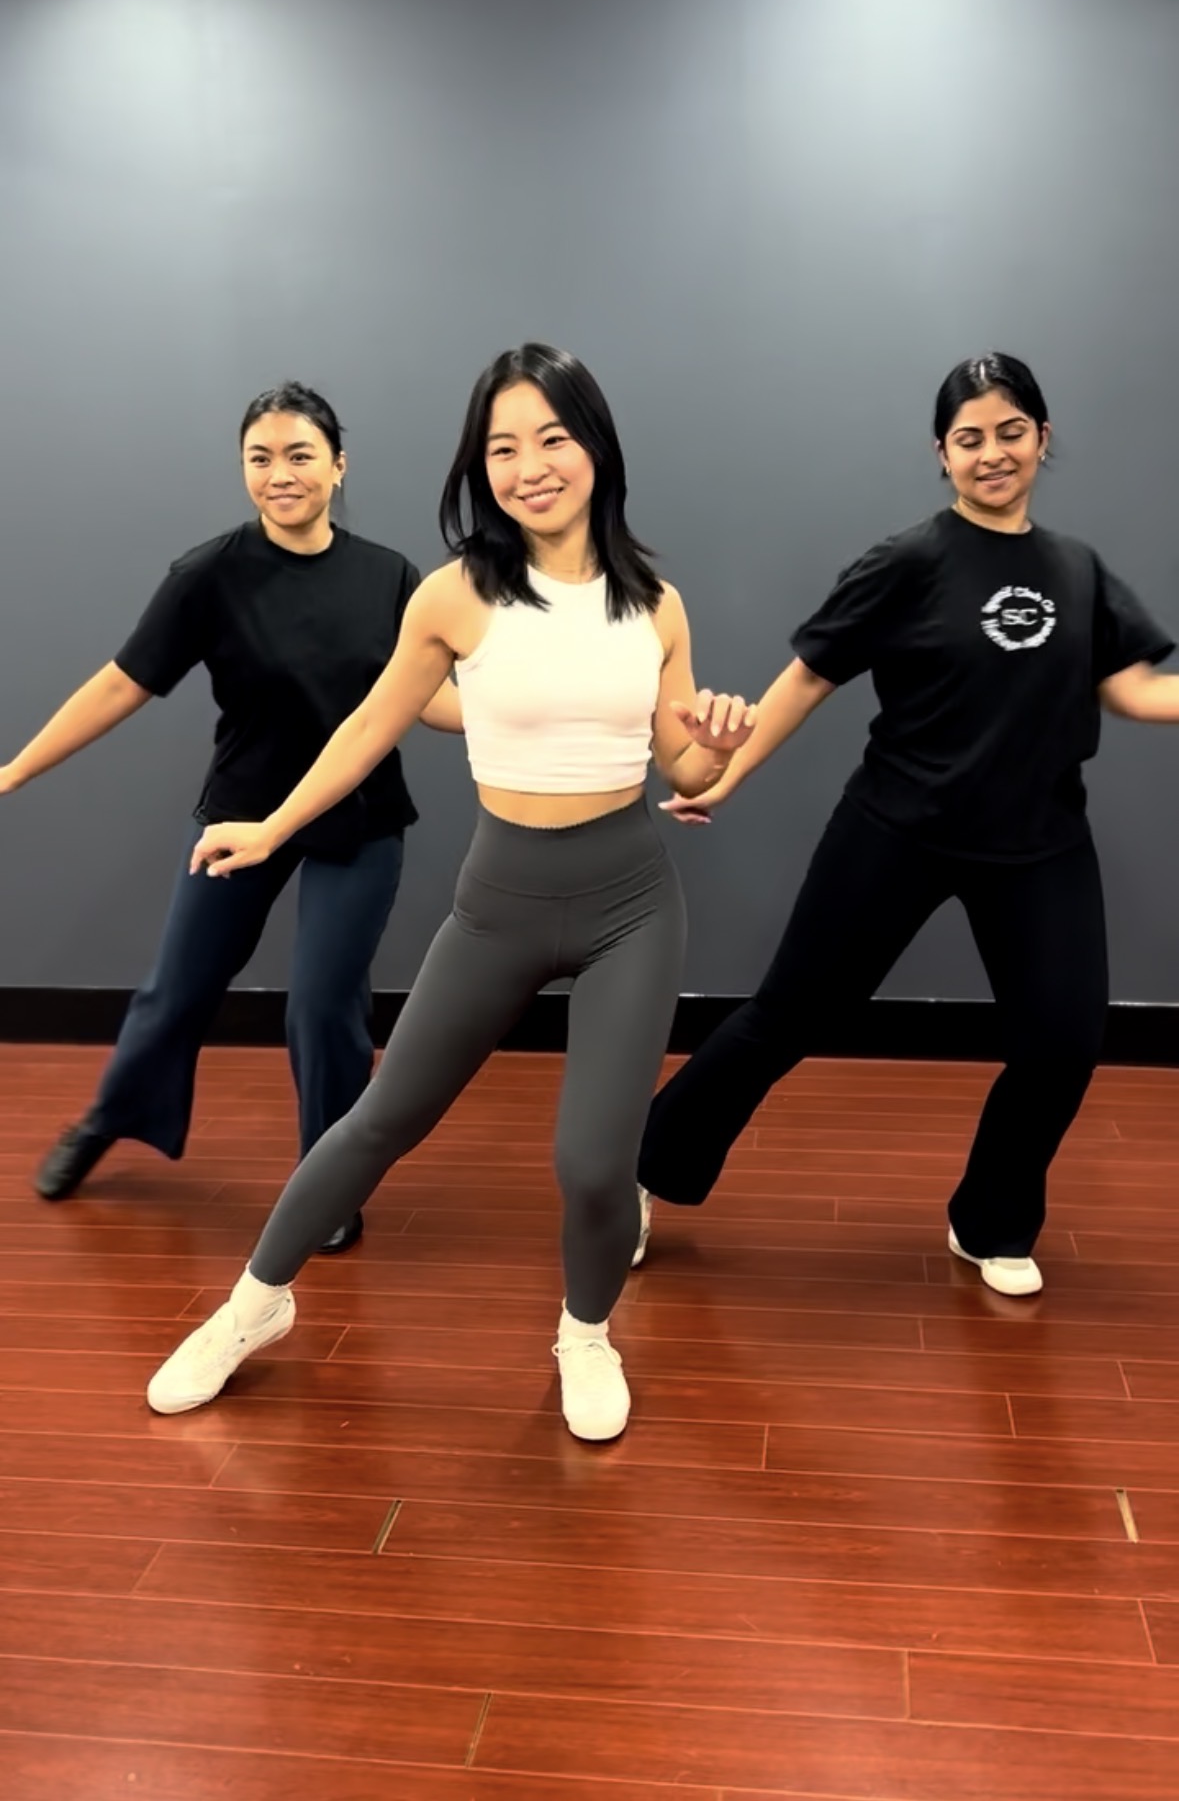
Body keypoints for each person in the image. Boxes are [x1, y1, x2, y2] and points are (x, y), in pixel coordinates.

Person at [146, 342, 754, 1439]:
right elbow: (370, 726)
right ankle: (252, 1305)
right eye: (503, 447)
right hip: (500, 898)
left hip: (628, 901)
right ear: (481, 467)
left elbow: (684, 771)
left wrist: (715, 749)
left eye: (553, 439)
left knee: (593, 1160)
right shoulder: (456, 596)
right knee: (379, 1119)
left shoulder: (655, 602)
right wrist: (273, 825)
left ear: (596, 449)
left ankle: (585, 1334)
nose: (531, 467)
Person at [637, 352, 1176, 1298]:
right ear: (942, 455)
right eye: (969, 439)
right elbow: (808, 676)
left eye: (1011, 432)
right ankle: (642, 1173)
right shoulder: (908, 562)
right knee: (787, 1017)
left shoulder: (1077, 570)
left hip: (1038, 841)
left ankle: (990, 1221)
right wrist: (726, 777)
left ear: (1042, 440)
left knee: (1061, 1039)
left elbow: (1129, 690)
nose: (992, 453)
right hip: (899, 825)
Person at [0, 382, 461, 1253]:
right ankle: (106, 1121)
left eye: (298, 455)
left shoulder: (390, 576)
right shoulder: (207, 574)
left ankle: (327, 1181)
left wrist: (534, 714)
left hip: (354, 822)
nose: (279, 474)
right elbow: (119, 683)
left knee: (325, 1006)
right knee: (178, 991)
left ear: (337, 464)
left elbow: (427, 699)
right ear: (244, 469)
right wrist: (16, 768)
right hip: (240, 818)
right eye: (260, 458)